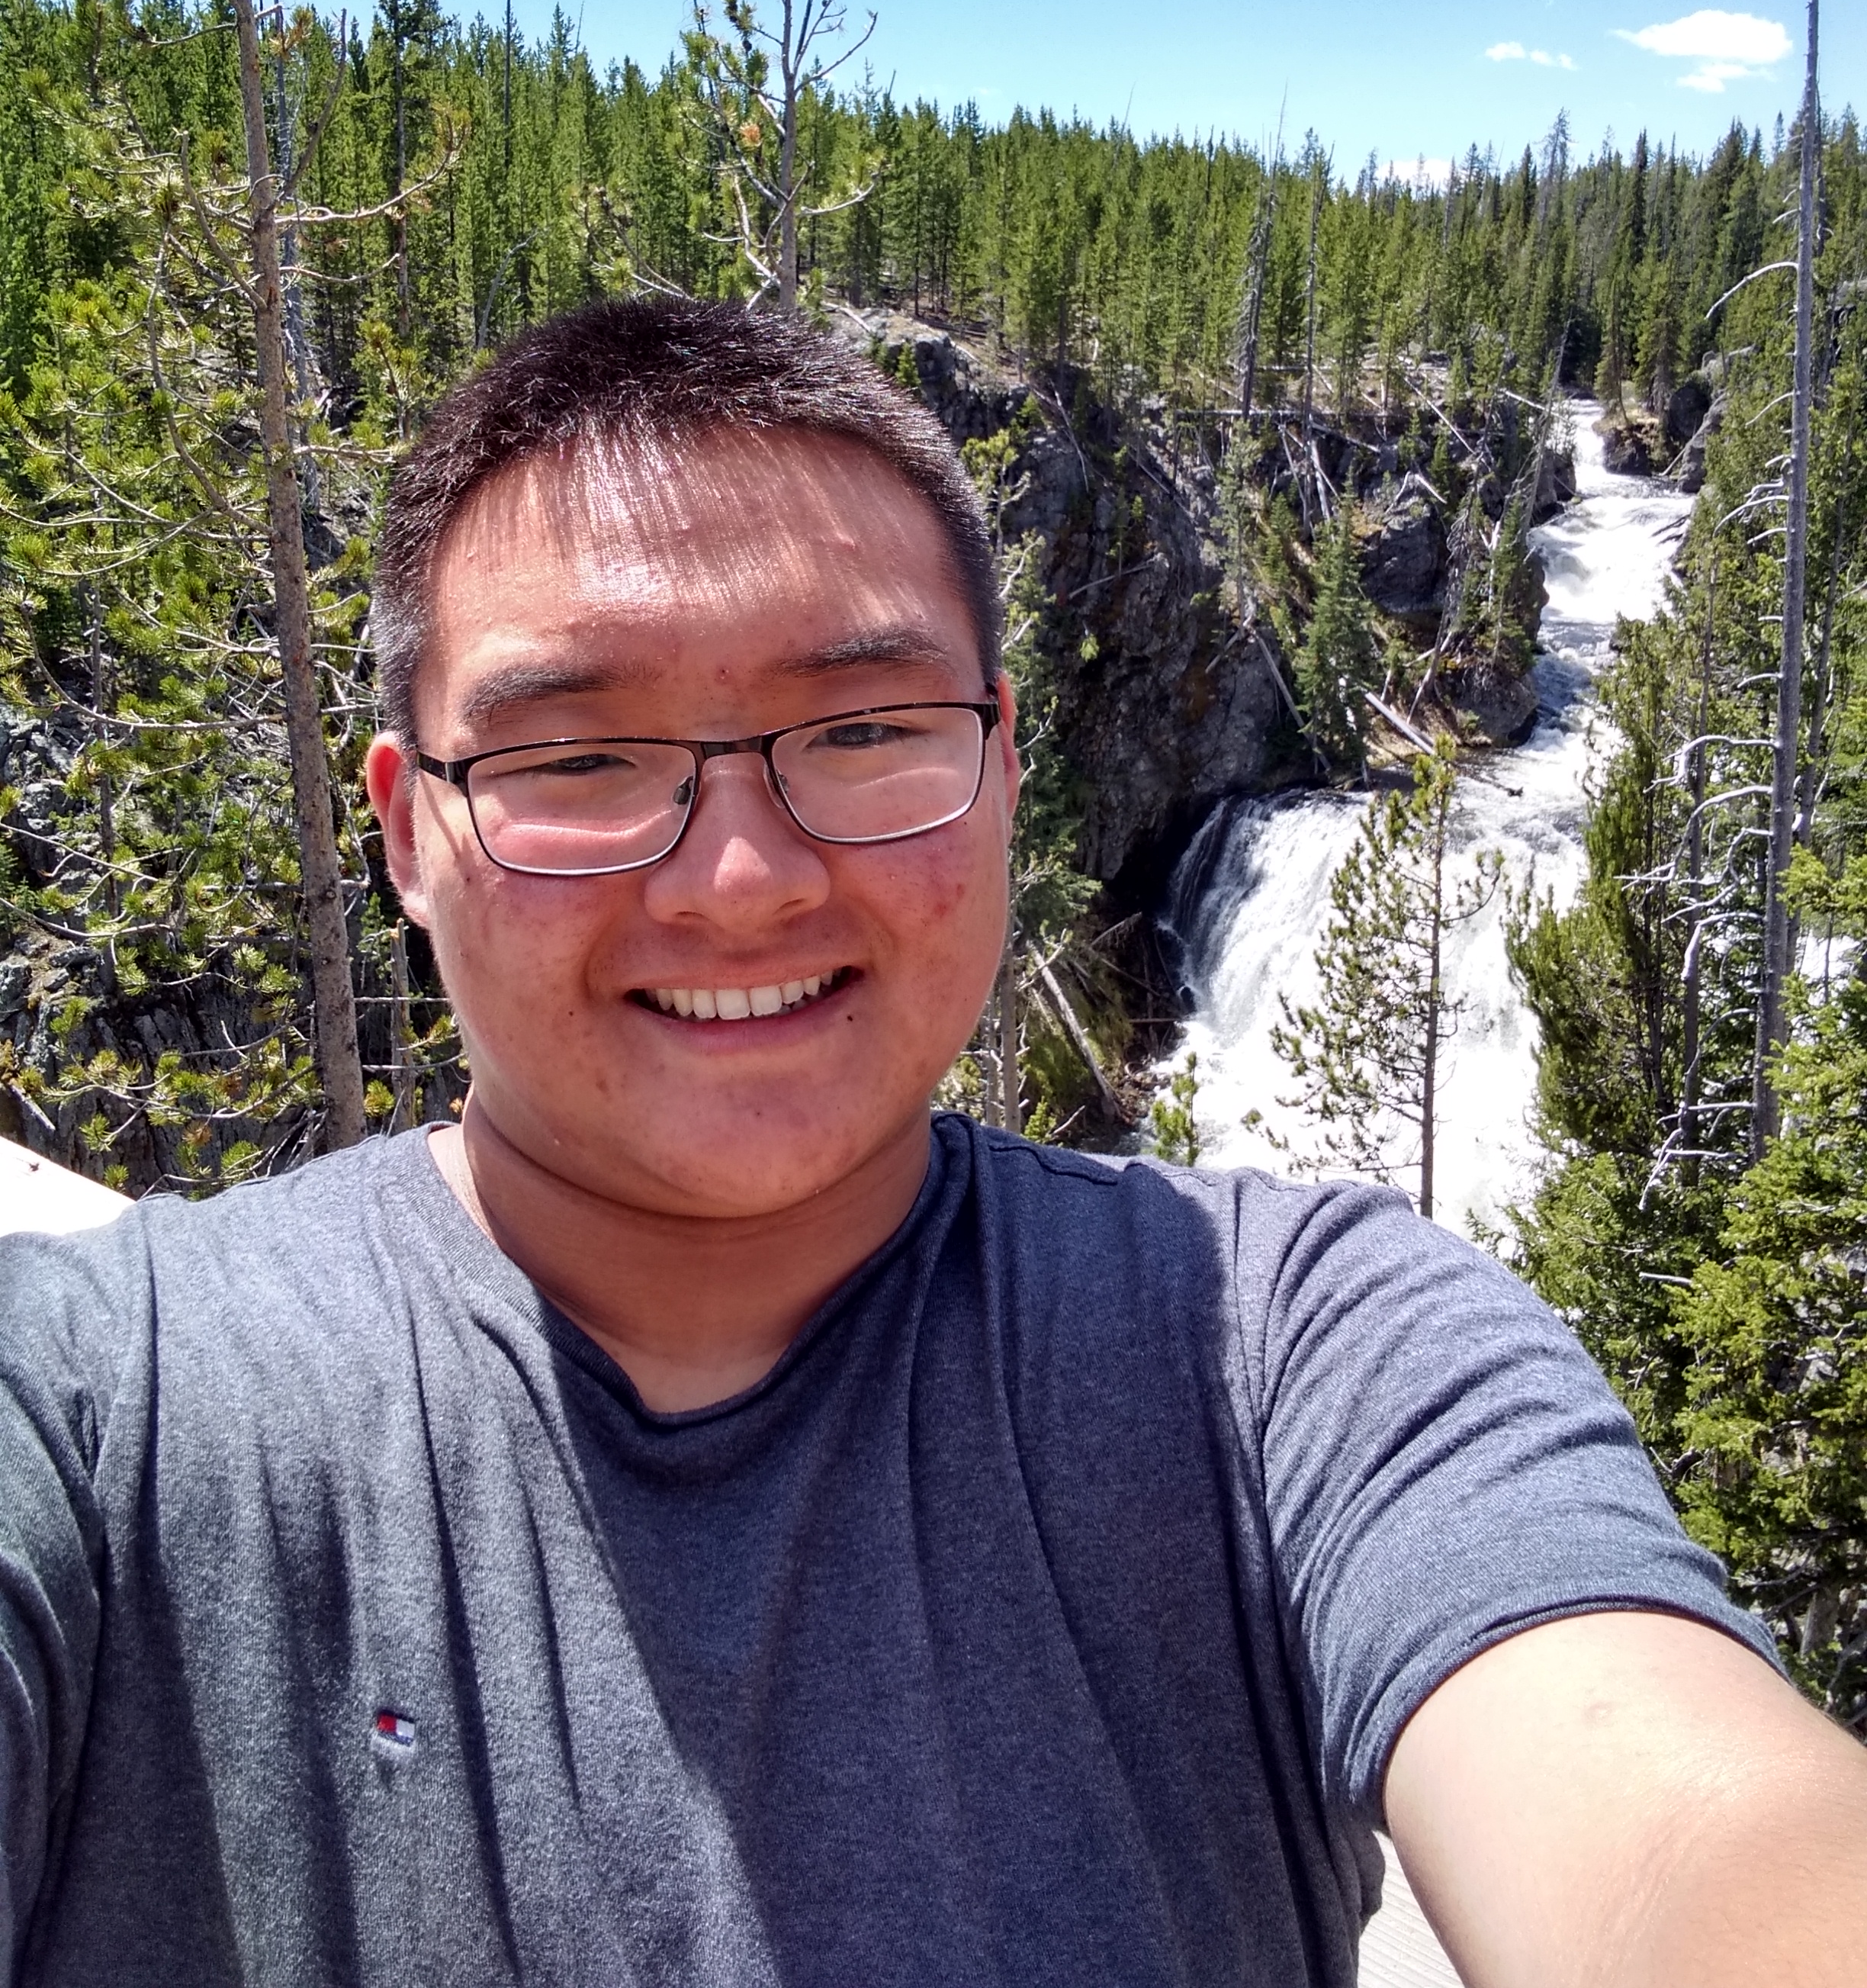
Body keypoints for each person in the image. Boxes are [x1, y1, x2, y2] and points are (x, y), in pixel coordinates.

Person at [2, 295, 1862, 1988]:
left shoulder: (1307, 1354)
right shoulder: (100, 1412)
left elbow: (1686, 1832)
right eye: (580, 761)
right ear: (409, 831)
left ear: (1002, 765)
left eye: (866, 728)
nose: (737, 882)